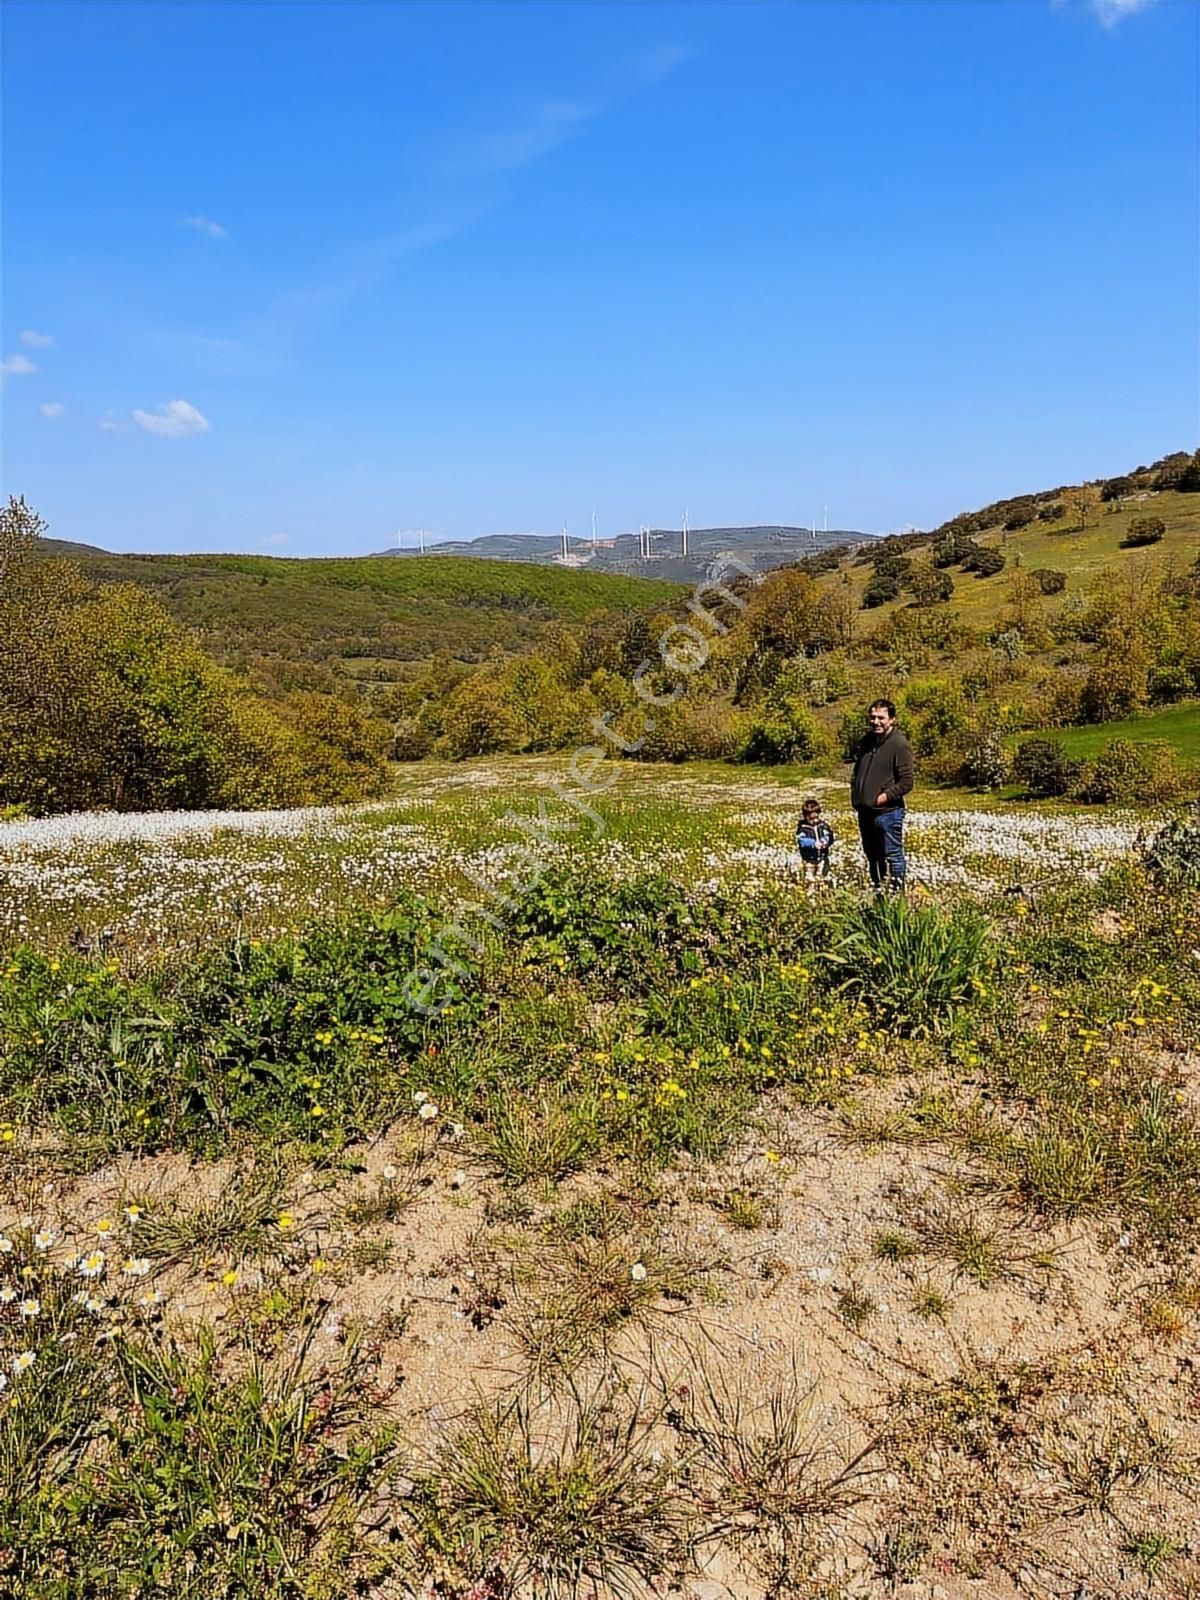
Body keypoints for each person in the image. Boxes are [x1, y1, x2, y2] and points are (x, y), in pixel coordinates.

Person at [850, 699, 913, 890]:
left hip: (888, 812)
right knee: (873, 856)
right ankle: (879, 892)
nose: (875, 722)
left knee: (893, 854)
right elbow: (858, 770)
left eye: (881, 718)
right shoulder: (867, 741)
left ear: (892, 719)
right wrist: (856, 792)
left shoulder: (899, 744)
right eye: (872, 717)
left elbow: (906, 782)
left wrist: (882, 798)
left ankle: (896, 896)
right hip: (865, 812)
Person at [795, 797, 835, 897]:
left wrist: (825, 841)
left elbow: (829, 836)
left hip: (822, 857)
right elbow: (801, 841)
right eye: (811, 819)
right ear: (805, 817)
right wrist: (813, 844)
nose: (814, 821)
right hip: (809, 858)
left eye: (816, 817)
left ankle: (823, 894)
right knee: (810, 878)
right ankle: (811, 896)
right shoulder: (803, 828)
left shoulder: (823, 826)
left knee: (823, 875)